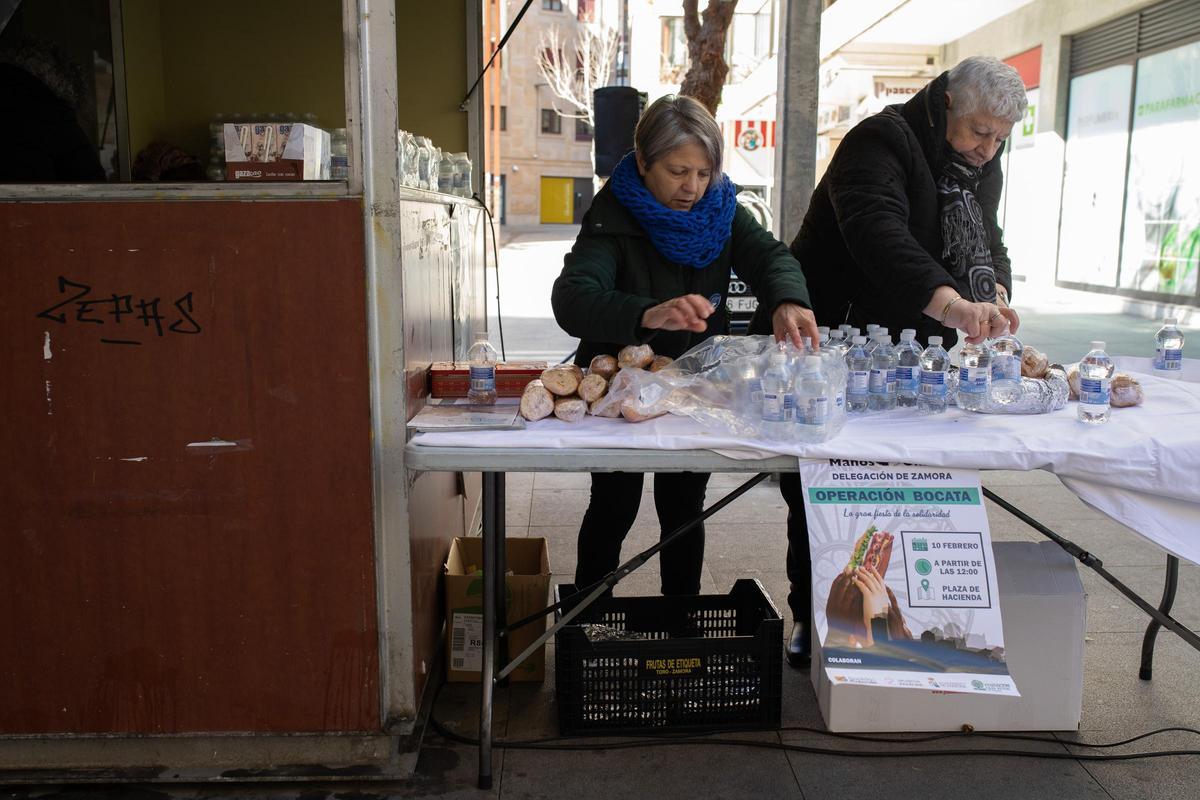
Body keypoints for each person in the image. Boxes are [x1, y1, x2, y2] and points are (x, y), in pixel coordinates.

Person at [751, 56, 1028, 668]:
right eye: (981, 132)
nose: (988, 149)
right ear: (949, 101)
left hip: (909, 344)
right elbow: (879, 235)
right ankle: (811, 611)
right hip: (830, 334)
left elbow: (987, 233)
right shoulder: (880, 140)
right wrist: (954, 305)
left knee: (906, 478)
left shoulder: (980, 160)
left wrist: (995, 291)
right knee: (822, 481)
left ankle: (902, 617)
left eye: (1001, 139)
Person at [552, 94, 818, 602]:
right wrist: (647, 314)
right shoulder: (615, 212)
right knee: (613, 504)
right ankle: (587, 621)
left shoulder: (722, 209)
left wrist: (787, 299)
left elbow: (770, 255)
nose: (692, 188)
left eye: (703, 172)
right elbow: (572, 299)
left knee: (683, 507)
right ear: (645, 161)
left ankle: (681, 625)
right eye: (677, 171)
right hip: (618, 389)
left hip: (691, 385)